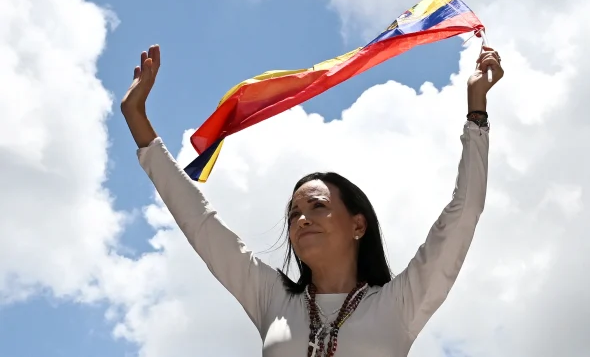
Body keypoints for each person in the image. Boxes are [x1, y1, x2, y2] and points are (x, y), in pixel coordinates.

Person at [121, 44, 504, 357]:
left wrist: (476, 112)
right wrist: (137, 118)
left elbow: (464, 211)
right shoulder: (271, 298)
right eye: (294, 214)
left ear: (358, 224)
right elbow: (200, 222)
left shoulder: (400, 303)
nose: (301, 219)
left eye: (318, 206)